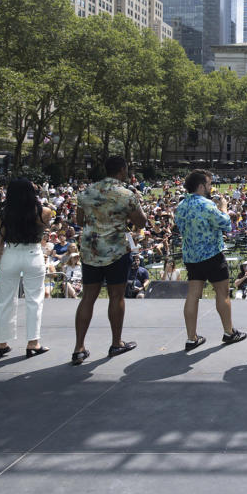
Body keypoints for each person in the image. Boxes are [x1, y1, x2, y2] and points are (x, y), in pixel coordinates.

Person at [72, 155, 148, 366]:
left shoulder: (86, 192)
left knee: (88, 297)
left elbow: (79, 221)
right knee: (116, 296)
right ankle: (116, 343)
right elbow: (141, 221)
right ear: (122, 170)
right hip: (115, 250)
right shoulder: (126, 193)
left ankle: (79, 348)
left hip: (91, 250)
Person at [173, 169, 246, 351]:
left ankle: (191, 338)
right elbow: (226, 224)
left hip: (191, 257)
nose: (210, 188)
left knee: (193, 295)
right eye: (209, 184)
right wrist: (223, 206)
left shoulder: (181, 206)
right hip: (212, 255)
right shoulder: (207, 205)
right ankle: (229, 332)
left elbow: (179, 228)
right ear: (200, 186)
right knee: (222, 293)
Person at [0, 177, 54, 358]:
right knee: (34, 299)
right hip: (33, 254)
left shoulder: (4, 214)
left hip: (10, 254)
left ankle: (2, 343)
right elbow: (43, 230)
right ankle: (33, 342)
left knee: (4, 300)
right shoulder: (44, 212)